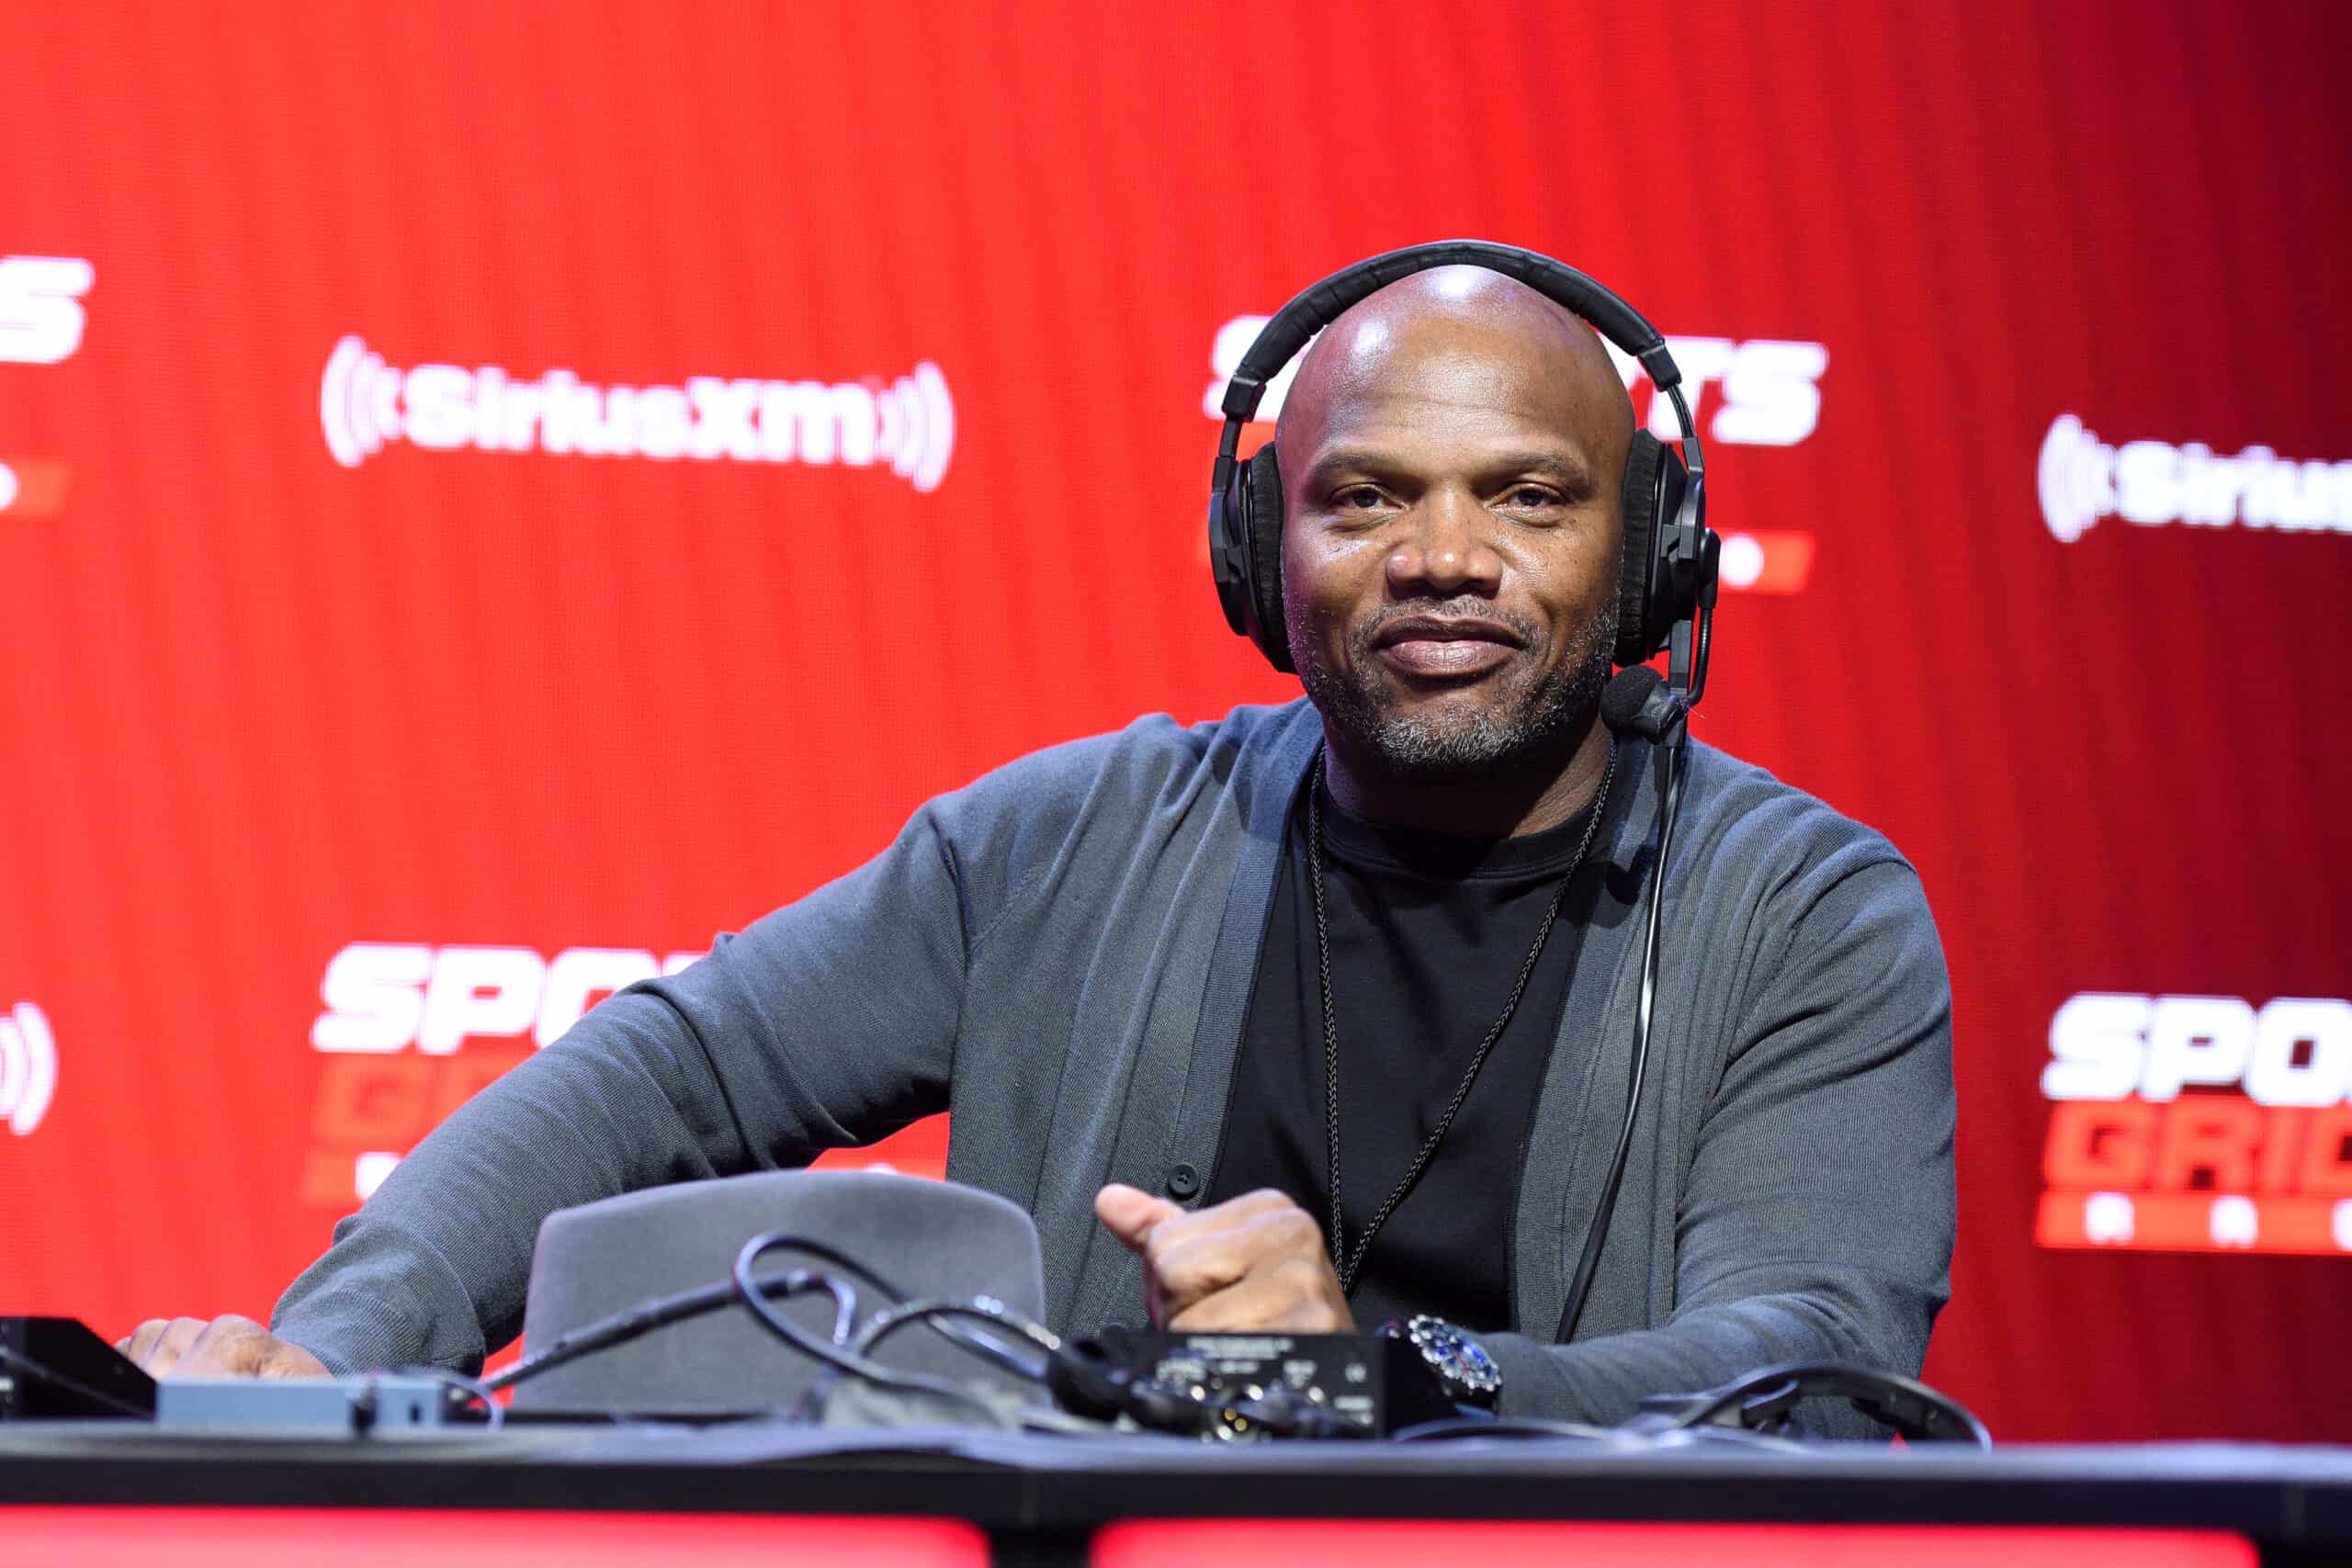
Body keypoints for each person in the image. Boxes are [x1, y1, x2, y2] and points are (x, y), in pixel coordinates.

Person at [121, 260, 1954, 1434]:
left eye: (1526, 497)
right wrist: (343, 1344)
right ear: (1261, 558)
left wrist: (1384, 1379)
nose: (1441, 554)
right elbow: (660, 1075)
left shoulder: (1801, 912)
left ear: (1647, 564)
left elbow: (1805, 1347)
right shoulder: (1073, 840)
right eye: (1365, 497)